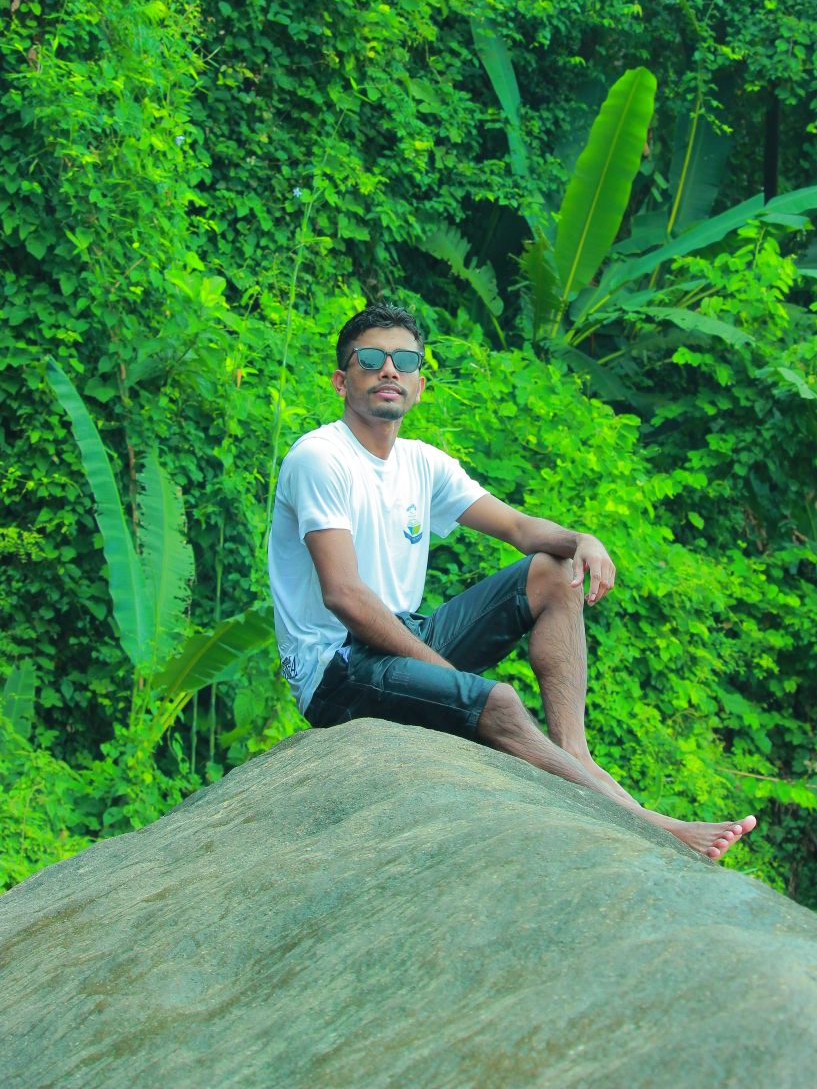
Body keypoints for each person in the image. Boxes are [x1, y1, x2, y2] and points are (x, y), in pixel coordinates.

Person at [268, 302, 756, 859]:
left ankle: (576, 753)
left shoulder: (421, 462)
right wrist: (450, 677)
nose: (389, 370)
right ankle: (647, 823)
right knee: (497, 701)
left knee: (553, 571)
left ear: (419, 385)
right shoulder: (320, 458)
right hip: (336, 668)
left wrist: (581, 540)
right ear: (342, 380)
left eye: (404, 361)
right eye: (371, 358)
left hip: (403, 634)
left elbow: (520, 529)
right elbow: (344, 595)